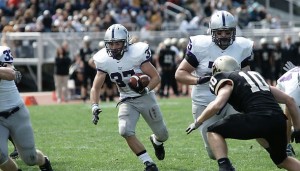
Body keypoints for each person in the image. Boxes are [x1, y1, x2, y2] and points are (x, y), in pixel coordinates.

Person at [186, 55, 300, 171]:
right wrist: (297, 128)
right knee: (282, 160)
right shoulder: (255, 76)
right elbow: (289, 100)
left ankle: (225, 166)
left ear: (217, 70)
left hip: (257, 118)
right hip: (279, 121)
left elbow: (217, 104)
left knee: (212, 131)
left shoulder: (224, 77)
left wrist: (198, 122)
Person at [175, 10, 253, 160]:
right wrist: (198, 80)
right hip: (205, 100)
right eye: (220, 32)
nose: (224, 35)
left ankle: (281, 150)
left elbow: (246, 74)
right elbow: (180, 73)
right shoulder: (201, 46)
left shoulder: (242, 46)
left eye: (227, 32)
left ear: (234, 32)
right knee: (212, 153)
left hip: (232, 98)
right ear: (212, 32)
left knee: (254, 122)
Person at [90, 24, 169, 171]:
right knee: (125, 130)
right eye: (111, 43)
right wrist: (94, 105)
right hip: (126, 98)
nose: (114, 47)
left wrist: (146, 89)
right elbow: (95, 87)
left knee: (163, 135)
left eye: (118, 43)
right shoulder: (103, 59)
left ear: (126, 42)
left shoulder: (136, 53)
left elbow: (156, 77)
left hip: (145, 97)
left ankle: (157, 141)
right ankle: (148, 163)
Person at [0, 45, 53, 171]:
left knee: (30, 158)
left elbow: (12, 73)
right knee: (0, 157)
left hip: (16, 113)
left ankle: (44, 162)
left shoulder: (2, 51)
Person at [277, 62, 300, 156]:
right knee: (285, 120)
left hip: (293, 77)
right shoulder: (292, 92)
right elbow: (287, 117)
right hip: (281, 89)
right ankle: (285, 146)